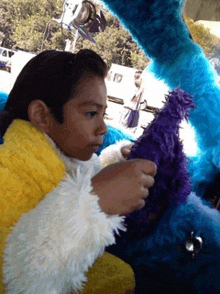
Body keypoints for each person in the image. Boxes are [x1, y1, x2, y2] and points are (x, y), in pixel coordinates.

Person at [0, 49, 157, 293]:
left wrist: (116, 163)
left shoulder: (65, 157)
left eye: (103, 114)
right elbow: (16, 278)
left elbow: (76, 176)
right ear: (42, 116)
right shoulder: (7, 177)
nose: (103, 128)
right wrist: (93, 201)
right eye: (91, 114)